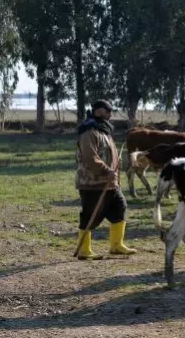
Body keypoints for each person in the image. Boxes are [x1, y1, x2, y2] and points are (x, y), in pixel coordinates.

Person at [75, 99, 137, 260]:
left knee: (119, 207)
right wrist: (106, 170)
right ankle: (84, 250)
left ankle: (116, 246)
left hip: (110, 183)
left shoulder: (104, 130)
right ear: (97, 111)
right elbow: (90, 157)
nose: (110, 113)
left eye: (110, 110)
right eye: (106, 110)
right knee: (90, 215)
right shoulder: (88, 131)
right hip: (92, 183)